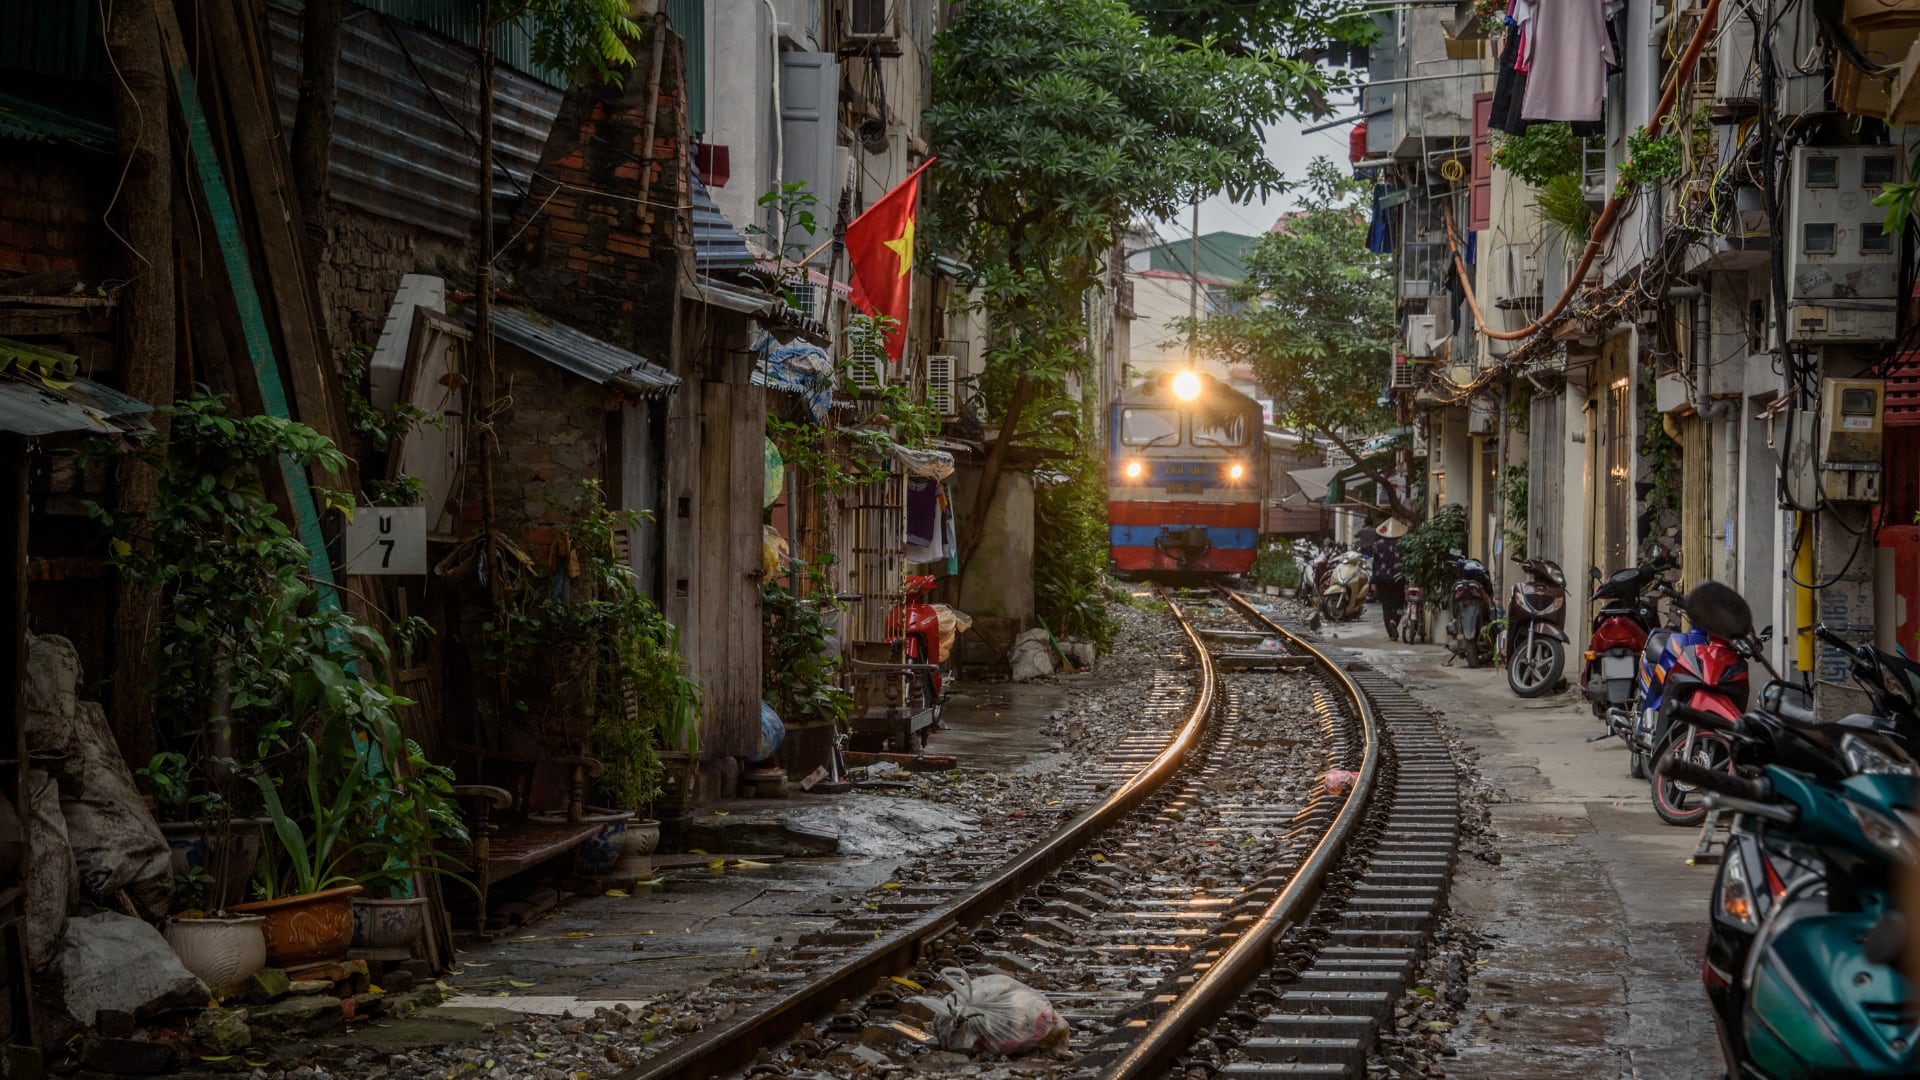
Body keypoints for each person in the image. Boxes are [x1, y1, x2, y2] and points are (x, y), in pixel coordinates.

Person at [1370, 519, 1408, 640]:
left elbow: (1375, 565)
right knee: (1400, 604)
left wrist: (1373, 582)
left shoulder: (1377, 545)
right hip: (1398, 579)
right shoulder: (1403, 544)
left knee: (1386, 606)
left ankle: (1391, 635)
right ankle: (1394, 621)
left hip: (1381, 579)